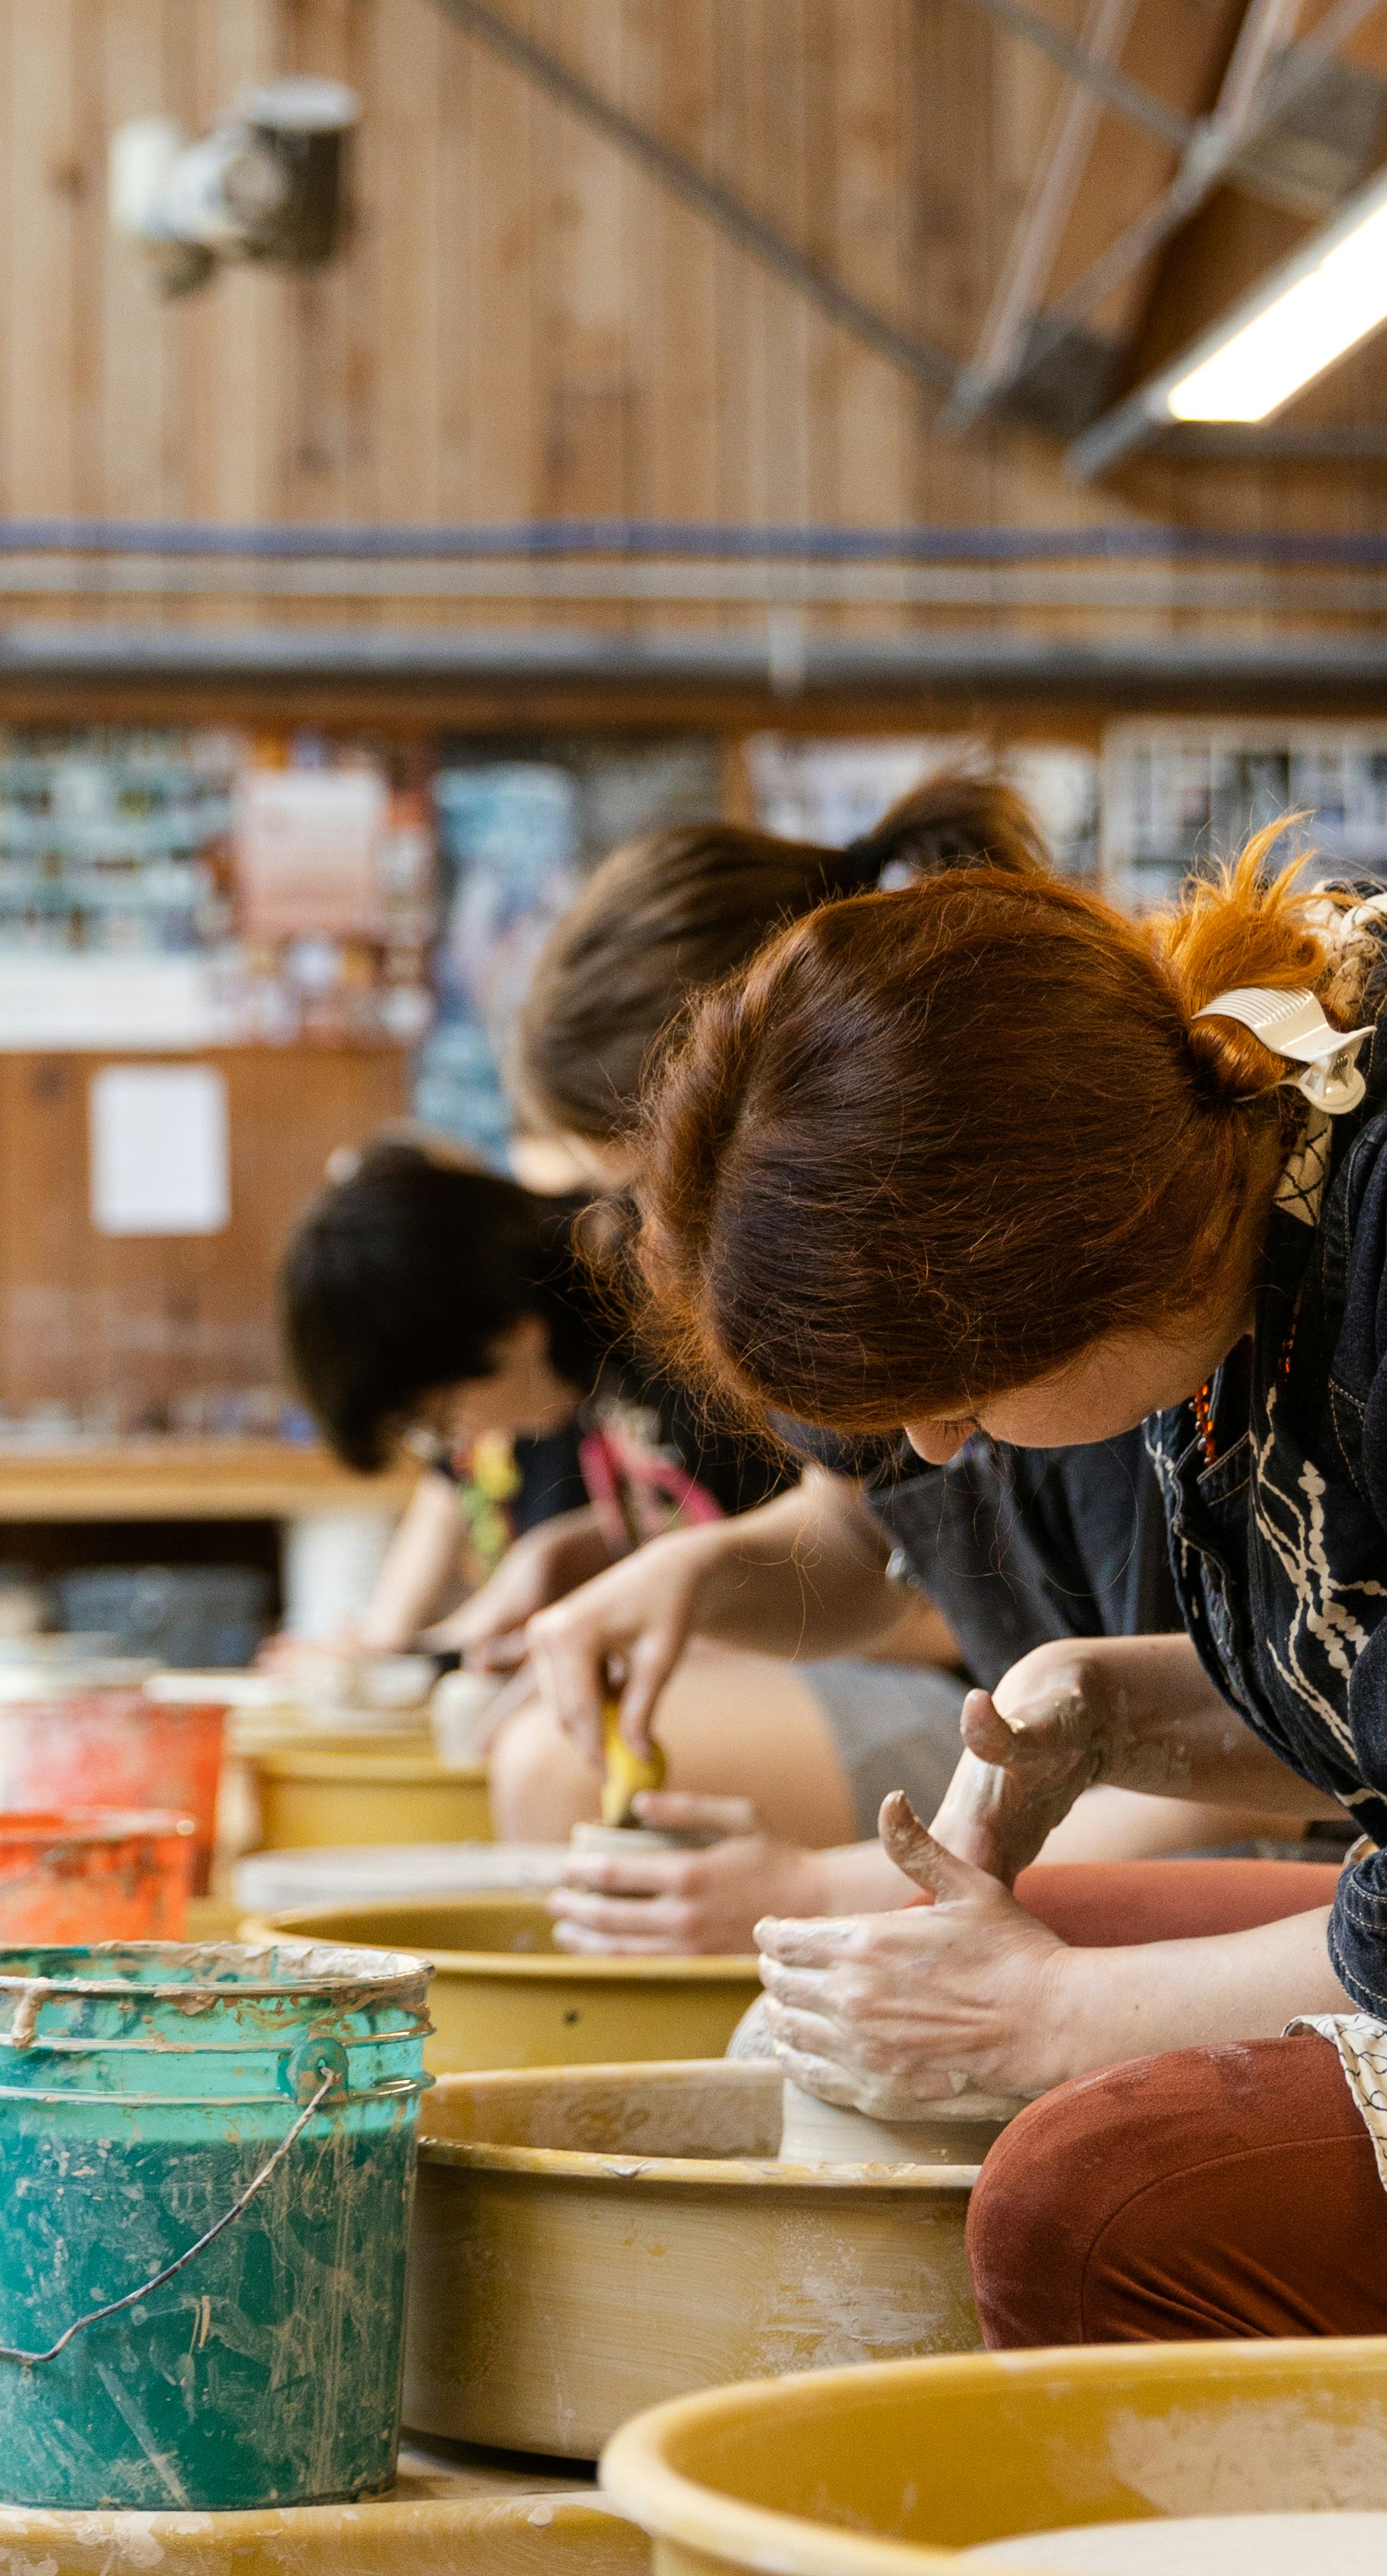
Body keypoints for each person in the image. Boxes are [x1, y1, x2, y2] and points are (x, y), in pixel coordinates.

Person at [590, 829, 1387, 2343]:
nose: (937, 1444)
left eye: (959, 1394)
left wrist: (1041, 2016)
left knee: (1084, 2203)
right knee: (851, 2006)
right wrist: (1123, 1707)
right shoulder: (1253, 1154)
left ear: (1084, 1259)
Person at [488, 763, 1319, 1940]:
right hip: (1072, 1777)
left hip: (1223, 1847)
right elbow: (864, 1528)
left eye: (642, 1192)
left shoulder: (1094, 1300)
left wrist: (821, 1894)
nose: (647, 1244)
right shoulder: (853, 1280)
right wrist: (689, 1576)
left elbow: (1269, 1757)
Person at [279, 1135, 968, 1845]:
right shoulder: (597, 1365)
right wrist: (572, 1558)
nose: (456, 1446)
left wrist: (702, 1627)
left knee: (549, 1763)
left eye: (436, 1420)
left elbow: (926, 1595)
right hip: (845, 1670)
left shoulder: (692, 1320)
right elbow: (726, 1523)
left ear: (513, 1336)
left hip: (960, 1689)